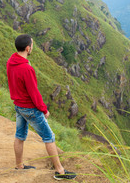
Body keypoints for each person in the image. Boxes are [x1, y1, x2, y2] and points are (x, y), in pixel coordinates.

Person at [6, 34, 77, 181]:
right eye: (31, 45)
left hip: (18, 106)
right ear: (28, 48)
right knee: (49, 137)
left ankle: (19, 165)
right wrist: (44, 109)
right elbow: (34, 93)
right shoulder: (26, 68)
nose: (32, 47)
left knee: (19, 136)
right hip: (30, 108)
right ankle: (60, 171)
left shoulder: (11, 62)